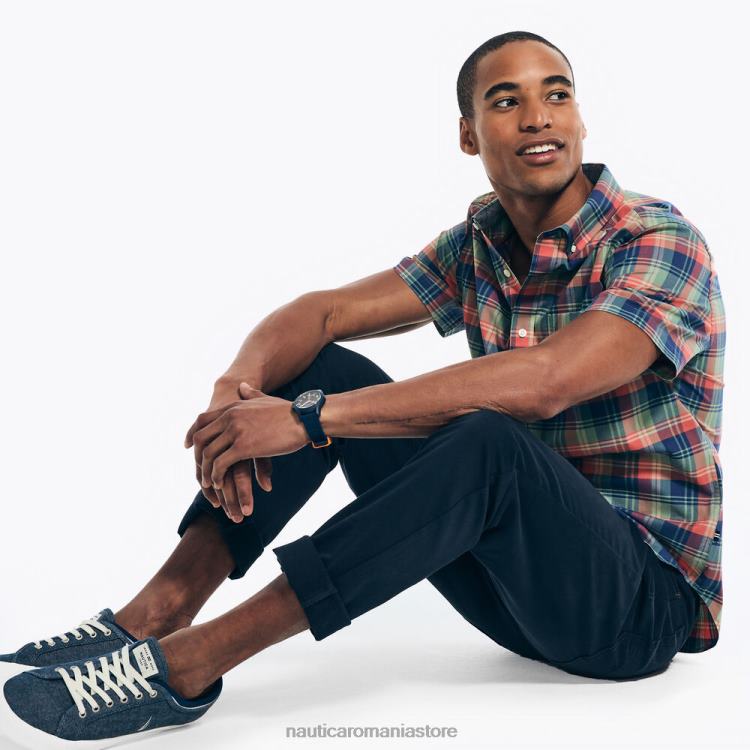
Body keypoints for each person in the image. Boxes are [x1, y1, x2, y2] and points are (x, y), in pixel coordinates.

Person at [0, 30, 724, 748]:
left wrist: (311, 421)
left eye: (557, 95)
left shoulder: (656, 242)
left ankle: (189, 665)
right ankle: (155, 614)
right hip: (514, 590)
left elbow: (546, 381)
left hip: (635, 611)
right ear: (469, 136)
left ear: (580, 120)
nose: (538, 117)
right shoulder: (481, 245)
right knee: (320, 369)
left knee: (483, 441)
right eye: (507, 102)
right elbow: (321, 314)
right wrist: (235, 395)